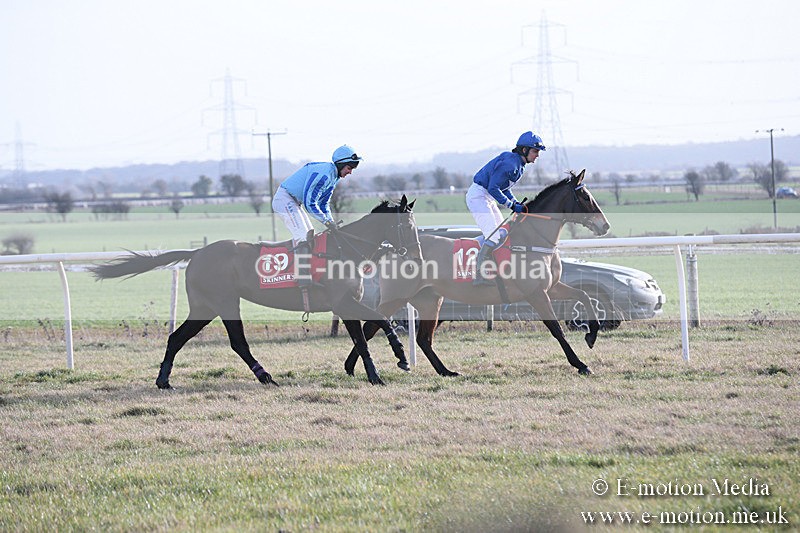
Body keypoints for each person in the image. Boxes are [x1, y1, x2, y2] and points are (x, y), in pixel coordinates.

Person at [272, 144, 362, 286]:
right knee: (302, 235)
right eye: (349, 168)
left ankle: (309, 272)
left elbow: (324, 204)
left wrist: (331, 222)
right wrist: (326, 222)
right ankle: (302, 278)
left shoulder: (333, 177)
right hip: (285, 199)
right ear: (341, 164)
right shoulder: (324, 175)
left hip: (294, 202)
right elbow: (310, 204)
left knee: (310, 235)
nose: (350, 172)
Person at [466, 131, 546, 285]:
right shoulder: (511, 164)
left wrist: (516, 203)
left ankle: (494, 268)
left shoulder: (518, 164)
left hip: (486, 196)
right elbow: (493, 188)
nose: (537, 155)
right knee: (494, 235)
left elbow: (504, 188)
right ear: (524, 150)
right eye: (535, 151)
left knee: (503, 232)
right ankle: (479, 274)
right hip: (479, 196)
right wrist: (510, 205)